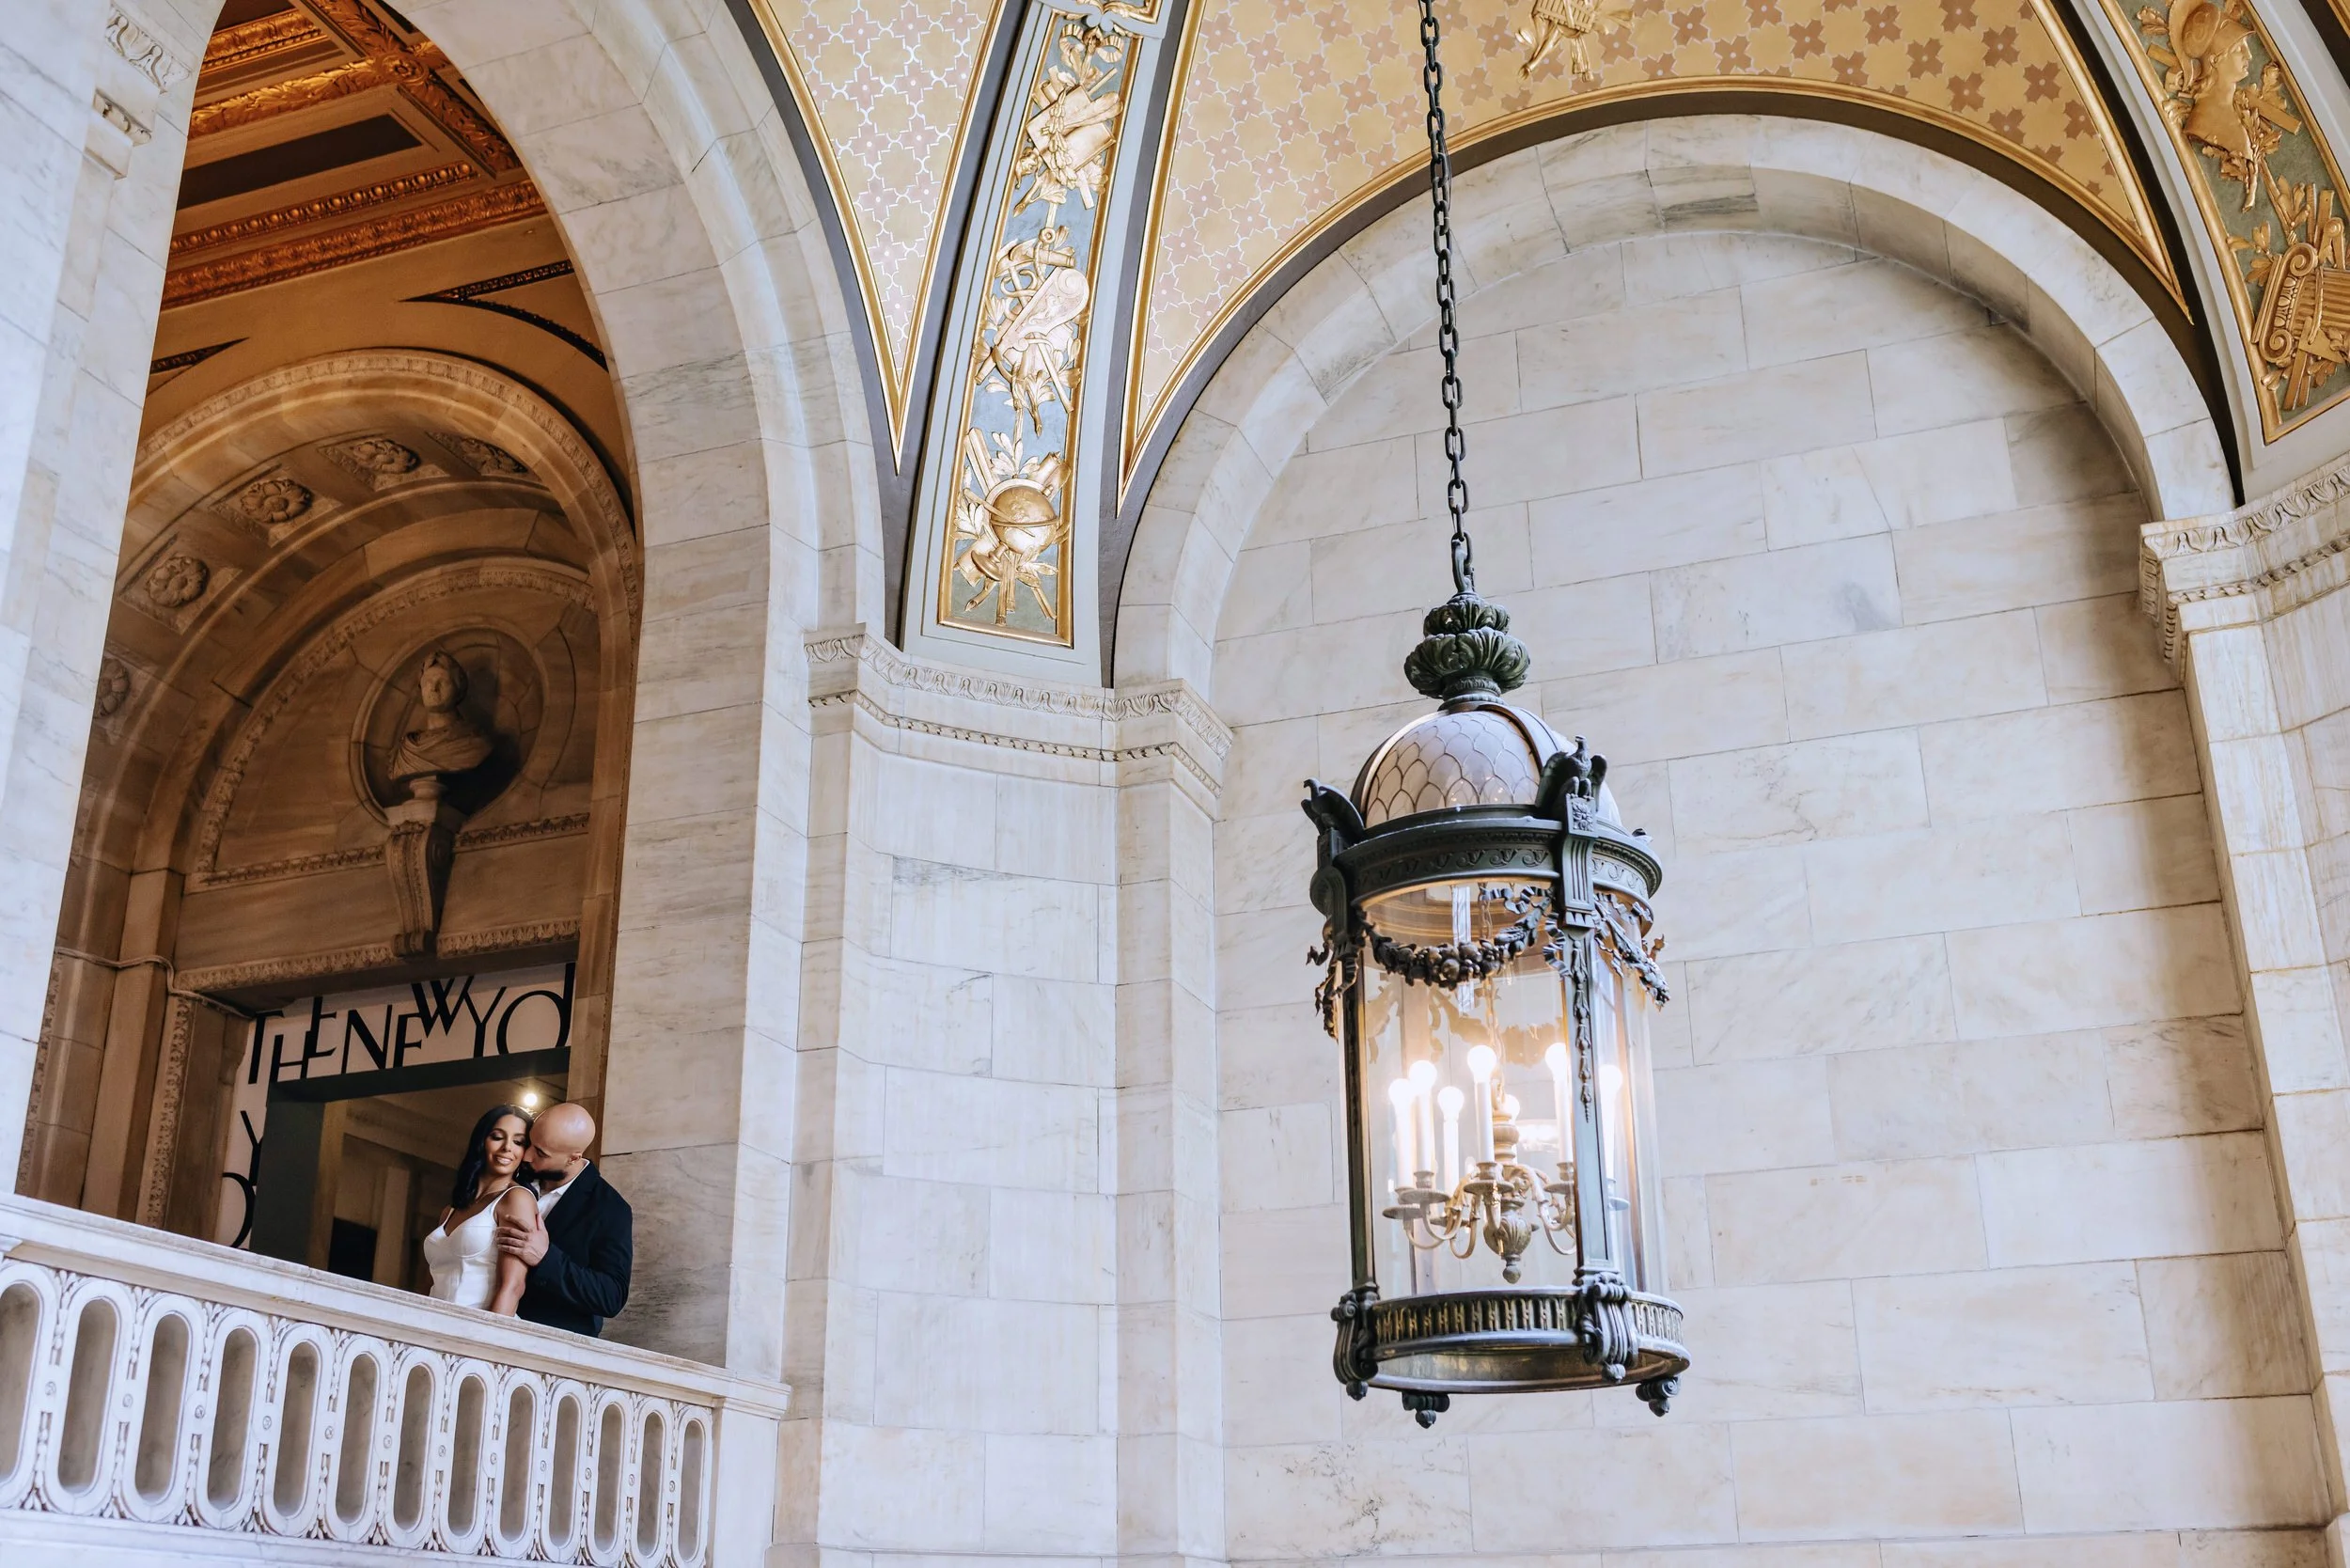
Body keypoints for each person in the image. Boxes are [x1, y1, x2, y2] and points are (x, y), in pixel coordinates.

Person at [493, 1101, 633, 1336]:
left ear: (573, 1157)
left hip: (547, 1346)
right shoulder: (512, 1174)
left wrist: (546, 1259)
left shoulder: (610, 1208)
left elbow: (611, 1297)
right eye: (529, 1143)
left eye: (540, 1153)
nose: (526, 1156)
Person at [421, 1104, 538, 1313]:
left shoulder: (516, 1199)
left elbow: (512, 1287)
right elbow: (433, 1278)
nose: (507, 1148)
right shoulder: (450, 1210)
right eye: (497, 1137)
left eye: (518, 1142)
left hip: (475, 1331)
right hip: (430, 1326)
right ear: (481, 1141)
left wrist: (485, 1342)